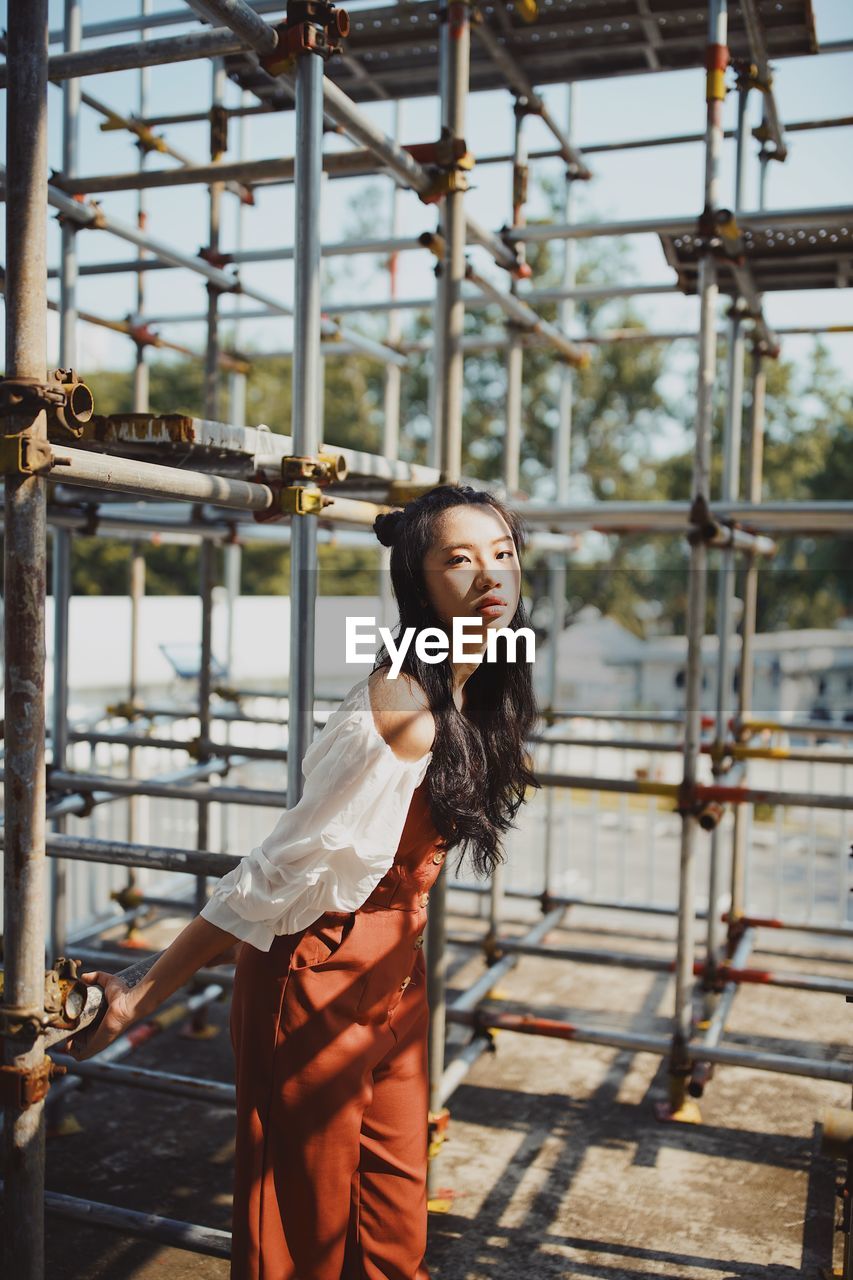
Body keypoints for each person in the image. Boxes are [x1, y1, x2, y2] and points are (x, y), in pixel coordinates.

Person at [67, 482, 541, 1280]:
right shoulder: (399, 713)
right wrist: (145, 988)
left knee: (394, 1208)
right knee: (303, 1224)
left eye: (502, 555)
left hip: (397, 964)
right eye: (458, 560)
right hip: (314, 968)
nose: (489, 577)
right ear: (417, 582)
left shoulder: (475, 681)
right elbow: (274, 875)